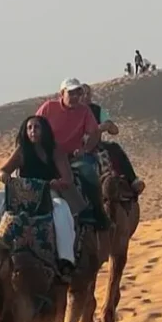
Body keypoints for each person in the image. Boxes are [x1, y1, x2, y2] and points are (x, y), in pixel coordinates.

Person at [0, 115, 77, 277]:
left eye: (36, 127)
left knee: (61, 208)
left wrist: (55, 183)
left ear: (44, 130)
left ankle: (65, 258)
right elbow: (3, 170)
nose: (33, 131)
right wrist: (4, 176)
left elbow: (67, 179)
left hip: (46, 193)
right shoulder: (23, 150)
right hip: (22, 193)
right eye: (29, 128)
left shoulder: (54, 150)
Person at [36, 79, 110, 229]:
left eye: (78, 92)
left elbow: (94, 132)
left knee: (88, 172)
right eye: (71, 93)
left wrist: (86, 149)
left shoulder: (84, 111)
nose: (75, 96)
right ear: (61, 94)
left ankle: (97, 211)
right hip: (48, 157)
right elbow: (33, 127)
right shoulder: (49, 108)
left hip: (73, 157)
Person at [81, 84, 145, 195]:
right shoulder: (71, 112)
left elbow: (115, 130)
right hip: (77, 147)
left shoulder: (97, 110)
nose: (86, 96)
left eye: (88, 94)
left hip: (96, 145)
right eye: (83, 94)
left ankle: (132, 180)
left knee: (114, 148)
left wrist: (107, 125)